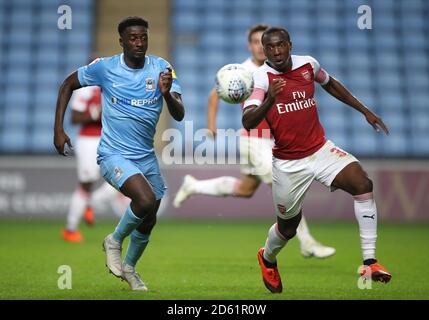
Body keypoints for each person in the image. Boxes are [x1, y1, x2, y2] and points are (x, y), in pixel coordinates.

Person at [242, 27, 392, 293]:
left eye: (281, 45)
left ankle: (370, 261)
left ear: (290, 45)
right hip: (289, 163)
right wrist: (270, 100)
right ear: (264, 51)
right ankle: (267, 258)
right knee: (287, 228)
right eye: (270, 48)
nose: (276, 52)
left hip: (320, 150)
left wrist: (365, 110)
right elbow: (248, 119)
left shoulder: (308, 65)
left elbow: (330, 83)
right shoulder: (261, 79)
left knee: (362, 183)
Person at [173, 24, 335, 258]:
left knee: (245, 189)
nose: (261, 47)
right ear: (250, 46)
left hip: (276, 140)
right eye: (257, 43)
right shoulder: (243, 71)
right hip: (255, 139)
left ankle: (194, 186)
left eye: (265, 43)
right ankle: (307, 242)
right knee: (282, 186)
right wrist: (211, 125)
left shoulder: (283, 68)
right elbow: (214, 93)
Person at [54, 17, 185, 291]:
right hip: (113, 153)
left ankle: (130, 269)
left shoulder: (162, 68)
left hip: (146, 156)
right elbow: (67, 84)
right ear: (122, 41)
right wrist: (58, 129)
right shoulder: (105, 68)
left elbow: (179, 114)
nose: (139, 42)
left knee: (149, 218)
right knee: (145, 200)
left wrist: (168, 94)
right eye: (133, 38)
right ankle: (114, 240)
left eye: (143, 37)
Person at [62, 84, 130, 243]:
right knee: (87, 183)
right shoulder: (85, 90)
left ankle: (90, 203)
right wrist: (95, 114)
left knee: (121, 178)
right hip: (89, 141)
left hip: (111, 140)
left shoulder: (117, 86)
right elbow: (74, 117)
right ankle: (70, 229)